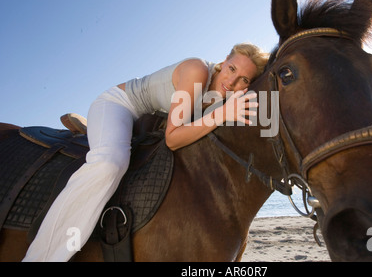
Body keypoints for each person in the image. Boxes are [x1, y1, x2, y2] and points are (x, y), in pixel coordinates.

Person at [22, 43, 269, 261]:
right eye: (232, 69)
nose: (232, 82)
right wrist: (222, 114)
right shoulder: (197, 71)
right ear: (224, 62)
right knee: (110, 163)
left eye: (244, 80)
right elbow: (173, 138)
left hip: (149, 122)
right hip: (121, 105)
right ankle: (40, 256)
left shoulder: (228, 100)